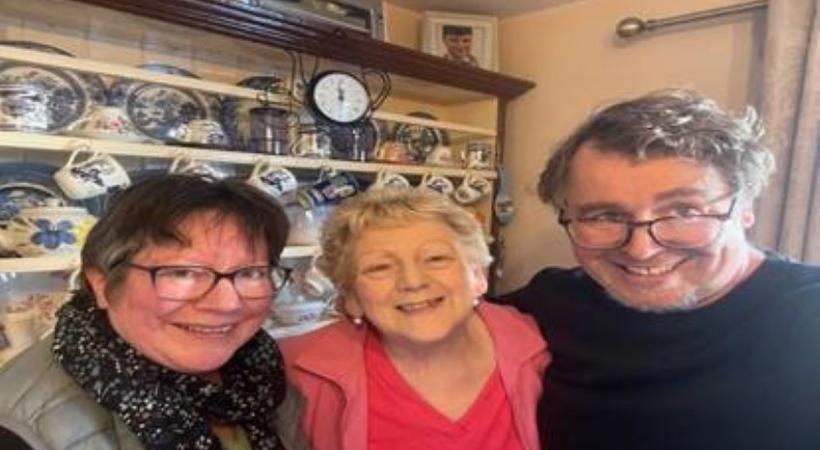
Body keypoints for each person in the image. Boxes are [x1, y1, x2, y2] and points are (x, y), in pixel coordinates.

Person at [502, 89, 820, 450]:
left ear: (745, 207)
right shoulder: (549, 305)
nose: (641, 250)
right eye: (605, 215)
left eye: (684, 211)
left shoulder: (809, 317)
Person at [0, 175, 310, 450]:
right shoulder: (19, 428)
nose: (227, 303)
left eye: (251, 273)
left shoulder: (259, 372)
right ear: (103, 285)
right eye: (182, 273)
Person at [280, 188, 549, 450]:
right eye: (380, 267)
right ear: (351, 298)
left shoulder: (537, 345)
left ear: (478, 276)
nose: (413, 281)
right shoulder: (296, 372)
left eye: (436, 258)